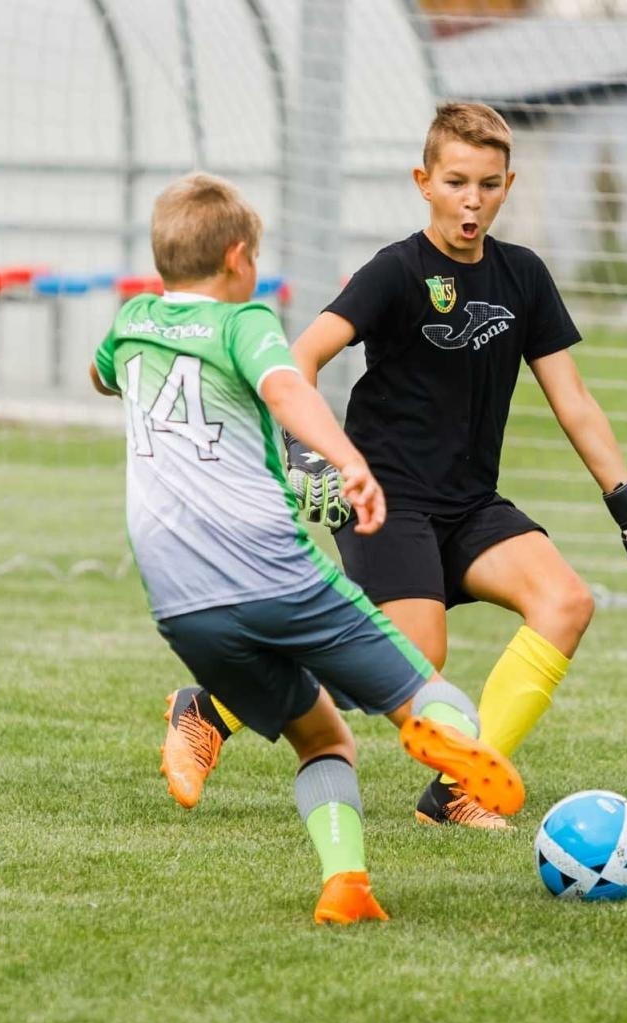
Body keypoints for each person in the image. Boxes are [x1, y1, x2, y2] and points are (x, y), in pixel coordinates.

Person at [159, 103, 627, 829]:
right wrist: (307, 451)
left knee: (567, 602)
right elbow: (302, 356)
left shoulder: (524, 276)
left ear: (508, 184)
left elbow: (572, 398)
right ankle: (210, 703)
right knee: (413, 653)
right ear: (425, 181)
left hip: (471, 505)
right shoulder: (396, 271)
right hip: (385, 499)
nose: (472, 200)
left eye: (488, 183)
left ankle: (456, 792)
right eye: (456, 182)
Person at [93, 172, 523, 923]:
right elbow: (289, 390)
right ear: (237, 258)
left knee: (323, 737)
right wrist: (347, 458)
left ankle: (347, 887)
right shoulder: (245, 322)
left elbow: (101, 377)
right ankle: (446, 737)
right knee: (427, 685)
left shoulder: (131, 322)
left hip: (181, 610)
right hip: (277, 576)